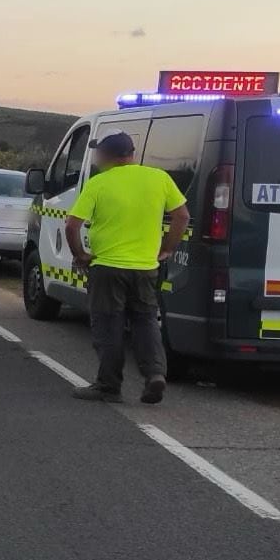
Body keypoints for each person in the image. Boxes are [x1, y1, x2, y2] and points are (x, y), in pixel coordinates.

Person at [65, 131, 190, 404]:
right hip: (146, 267)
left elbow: (72, 224)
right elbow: (182, 215)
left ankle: (109, 386)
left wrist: (80, 255)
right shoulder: (159, 178)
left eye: (99, 154)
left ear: (108, 156)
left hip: (107, 267)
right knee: (146, 322)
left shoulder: (99, 183)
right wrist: (167, 249)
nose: (97, 159)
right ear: (131, 154)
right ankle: (155, 374)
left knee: (109, 326)